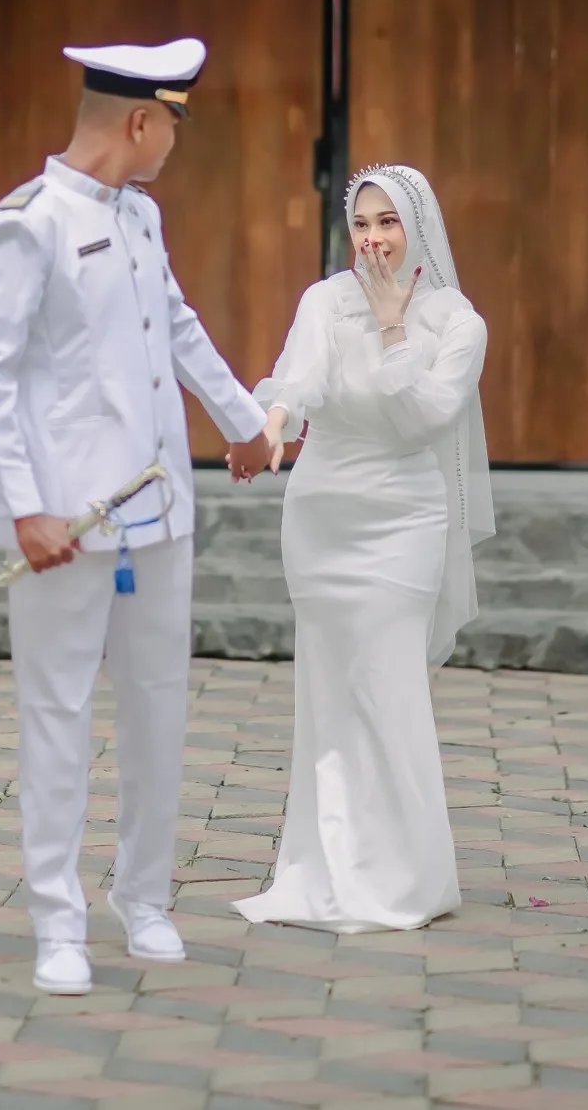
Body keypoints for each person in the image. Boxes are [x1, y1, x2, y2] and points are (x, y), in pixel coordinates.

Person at [0, 38, 271, 994]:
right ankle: (58, 921)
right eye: (175, 123)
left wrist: (243, 420)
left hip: (158, 508)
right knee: (56, 715)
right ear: (140, 122)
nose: (176, 140)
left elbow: (173, 324)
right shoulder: (29, 224)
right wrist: (26, 509)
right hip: (68, 521)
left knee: (157, 707)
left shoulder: (140, 215)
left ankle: (144, 897)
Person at [232, 164, 494, 933]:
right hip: (320, 513)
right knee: (326, 694)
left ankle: (406, 876)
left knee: (386, 688)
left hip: (402, 519)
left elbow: (422, 420)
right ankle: (325, 865)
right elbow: (301, 380)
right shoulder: (323, 299)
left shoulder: (457, 322)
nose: (373, 239)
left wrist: (389, 326)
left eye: (387, 222)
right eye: (360, 223)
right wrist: (271, 424)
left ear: (417, 227)